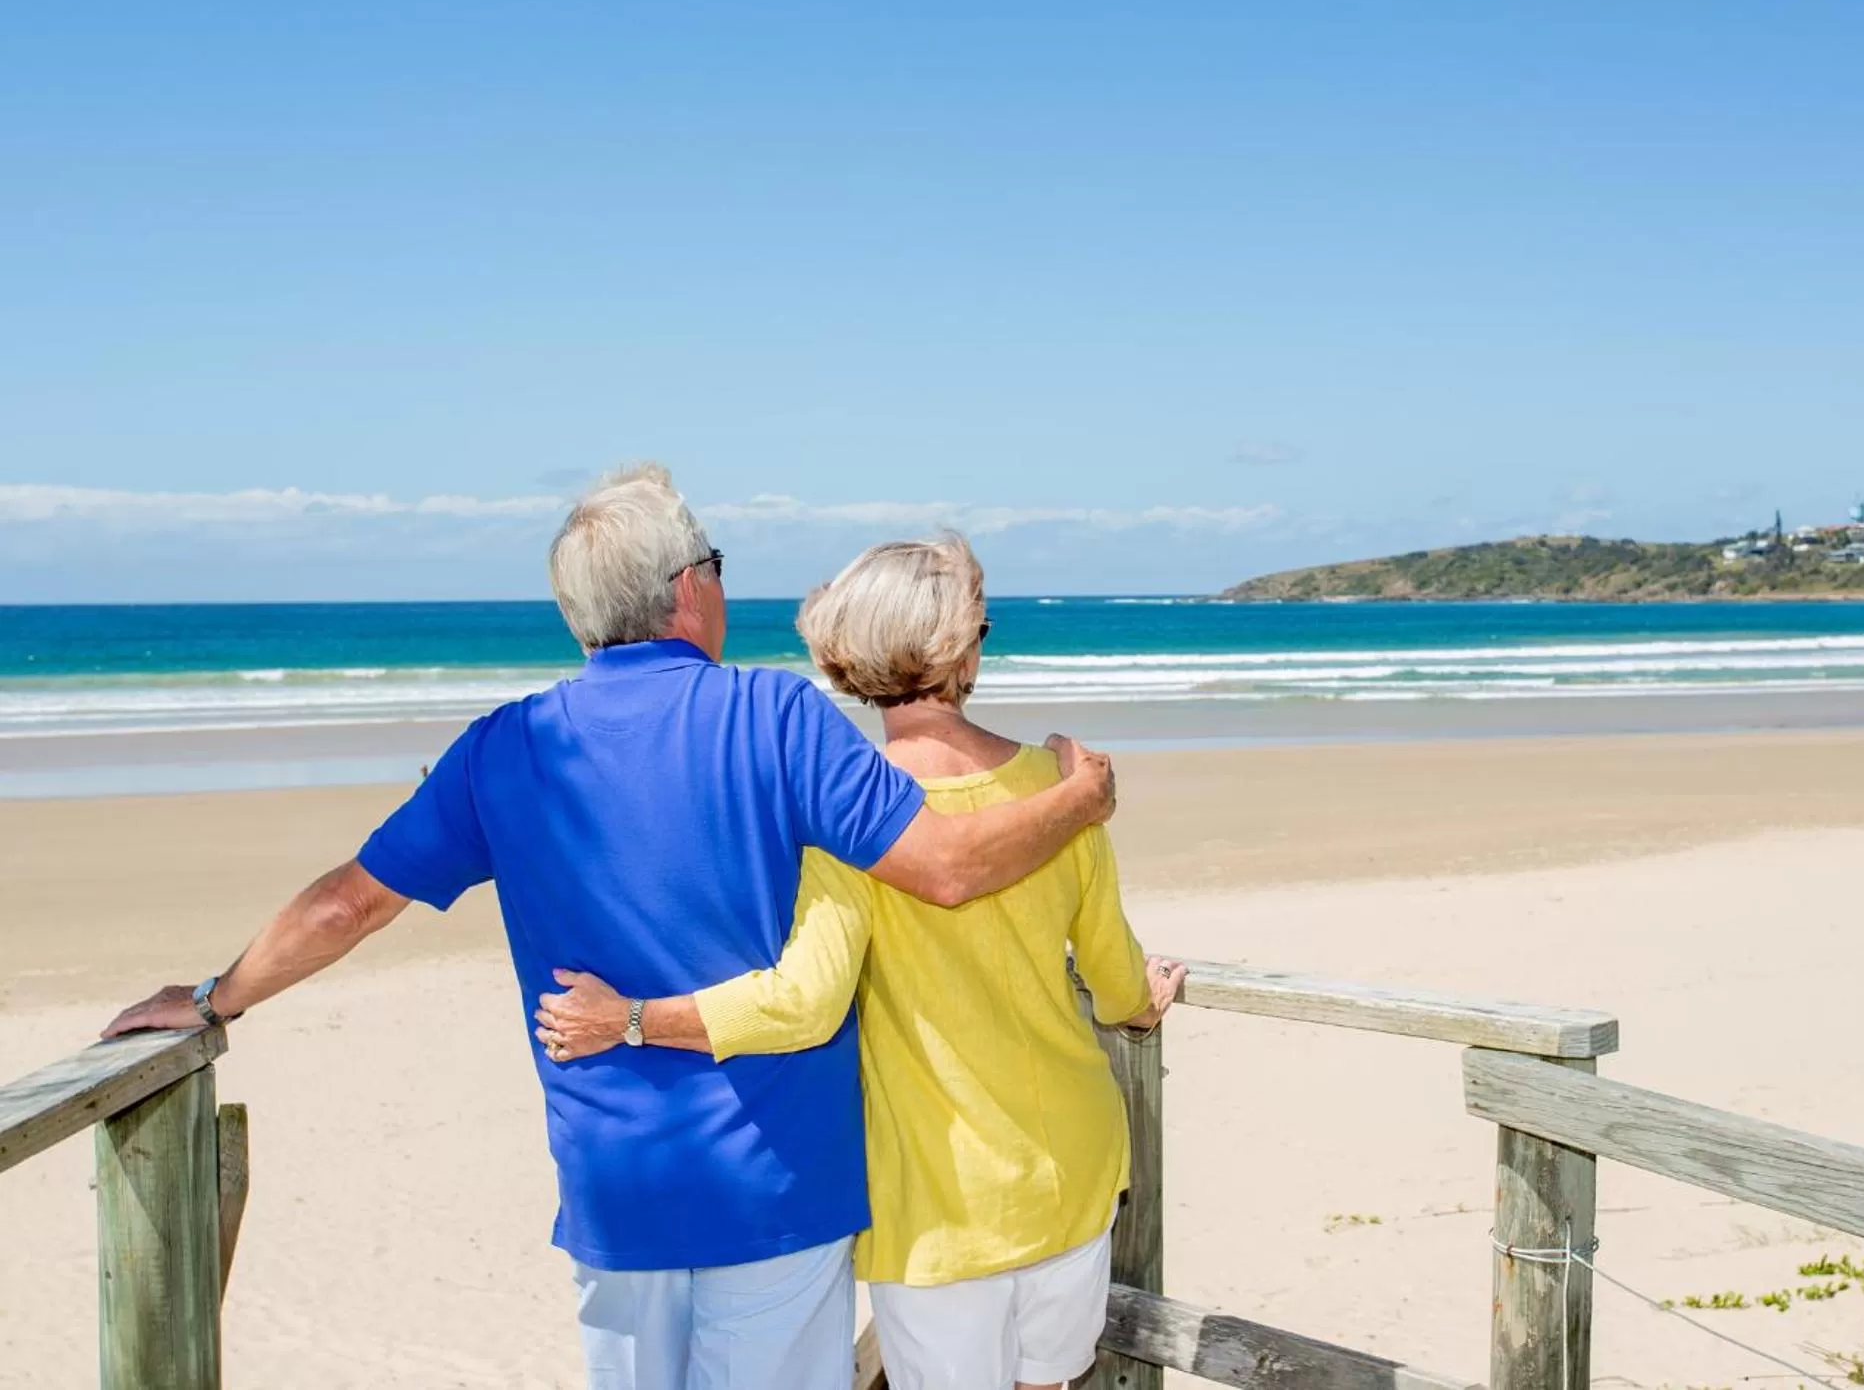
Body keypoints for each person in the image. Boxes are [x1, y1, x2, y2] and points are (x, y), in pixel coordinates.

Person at [100, 466, 1121, 1390]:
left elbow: (345, 905)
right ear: (687, 589)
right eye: (716, 565)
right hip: (778, 1185)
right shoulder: (778, 718)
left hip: (619, 1188)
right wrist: (1079, 800)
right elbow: (947, 868)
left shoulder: (507, 747)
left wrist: (215, 997)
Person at [536, 532, 1183, 1390]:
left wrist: (630, 1018)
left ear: (845, 660)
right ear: (963, 650)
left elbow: (804, 1002)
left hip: (940, 1198)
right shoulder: (1063, 793)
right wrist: (1146, 1001)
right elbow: (1114, 980)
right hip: (1075, 1164)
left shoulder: (853, 819)